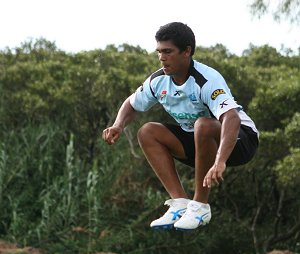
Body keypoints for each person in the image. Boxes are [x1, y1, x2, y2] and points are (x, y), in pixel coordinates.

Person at [102, 22, 259, 231]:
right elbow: (131, 103)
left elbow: (232, 118)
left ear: (187, 52)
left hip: (240, 141)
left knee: (203, 124)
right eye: (159, 52)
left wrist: (220, 160)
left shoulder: (206, 79)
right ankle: (180, 203)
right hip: (199, 142)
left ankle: (200, 206)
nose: (161, 57)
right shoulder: (158, 81)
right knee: (147, 131)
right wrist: (118, 125)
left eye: (168, 52)